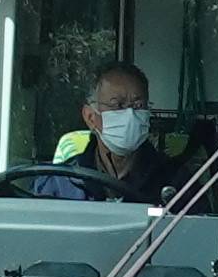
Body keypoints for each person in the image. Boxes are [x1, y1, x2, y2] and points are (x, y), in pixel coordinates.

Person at [49, 62, 190, 201]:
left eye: (138, 106)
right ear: (90, 117)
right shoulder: (62, 182)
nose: (130, 115)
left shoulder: (177, 182)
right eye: (118, 105)